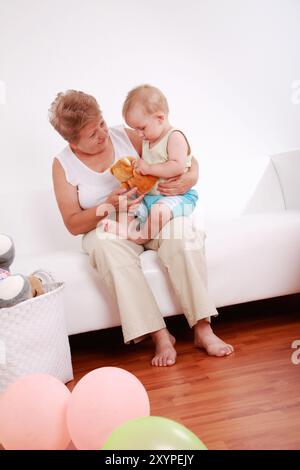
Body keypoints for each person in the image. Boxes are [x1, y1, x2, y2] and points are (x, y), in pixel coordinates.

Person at [49, 89, 234, 367]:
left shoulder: (128, 135)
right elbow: (73, 223)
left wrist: (190, 176)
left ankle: (203, 328)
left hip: (152, 213)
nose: (103, 133)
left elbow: (180, 155)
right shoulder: (63, 165)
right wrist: (109, 205)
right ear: (73, 143)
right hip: (110, 225)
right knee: (105, 248)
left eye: (101, 123)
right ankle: (159, 335)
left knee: (183, 234)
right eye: (92, 134)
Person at [103, 84, 198, 244]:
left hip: (176, 197)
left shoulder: (174, 137)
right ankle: (126, 230)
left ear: (160, 118)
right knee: (127, 206)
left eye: (142, 128)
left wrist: (149, 168)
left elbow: (177, 166)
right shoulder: (148, 139)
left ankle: (139, 238)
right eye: (134, 129)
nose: (138, 134)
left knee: (158, 212)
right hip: (151, 197)